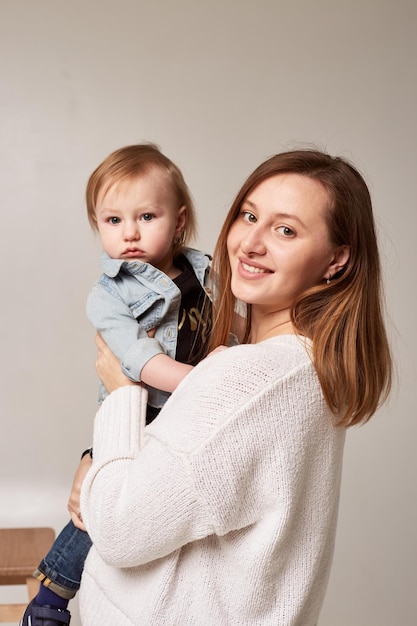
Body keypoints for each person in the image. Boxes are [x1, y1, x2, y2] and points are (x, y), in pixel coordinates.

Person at [78, 149, 392, 625]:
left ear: (336, 260)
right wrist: (98, 461)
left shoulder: (249, 380)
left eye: (286, 230)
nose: (250, 242)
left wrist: (121, 392)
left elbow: (119, 528)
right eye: (249, 215)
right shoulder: (301, 366)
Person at [20, 144, 213, 626]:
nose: (129, 233)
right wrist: (206, 383)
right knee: (98, 510)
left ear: (179, 221)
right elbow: (137, 361)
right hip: (136, 416)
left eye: (146, 216)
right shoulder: (108, 294)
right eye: (112, 220)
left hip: (186, 422)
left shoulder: (207, 271)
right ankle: (52, 596)